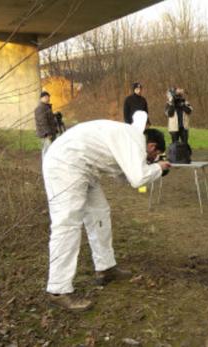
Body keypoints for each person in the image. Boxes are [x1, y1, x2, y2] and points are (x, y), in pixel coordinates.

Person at [42, 111, 171, 310]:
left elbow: (124, 176)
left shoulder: (127, 137)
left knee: (99, 213)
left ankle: (105, 268)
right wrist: (159, 168)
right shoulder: (134, 139)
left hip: (84, 166)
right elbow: (138, 179)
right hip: (65, 164)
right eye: (154, 156)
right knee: (67, 225)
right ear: (152, 146)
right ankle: (58, 289)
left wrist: (151, 169)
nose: (152, 159)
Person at [34, 91, 58, 155]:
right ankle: (45, 164)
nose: (48, 98)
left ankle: (50, 164)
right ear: (41, 98)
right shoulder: (40, 108)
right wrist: (47, 133)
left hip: (50, 132)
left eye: (48, 97)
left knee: (51, 150)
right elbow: (42, 122)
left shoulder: (46, 107)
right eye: (46, 97)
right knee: (46, 151)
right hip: (46, 134)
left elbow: (49, 119)